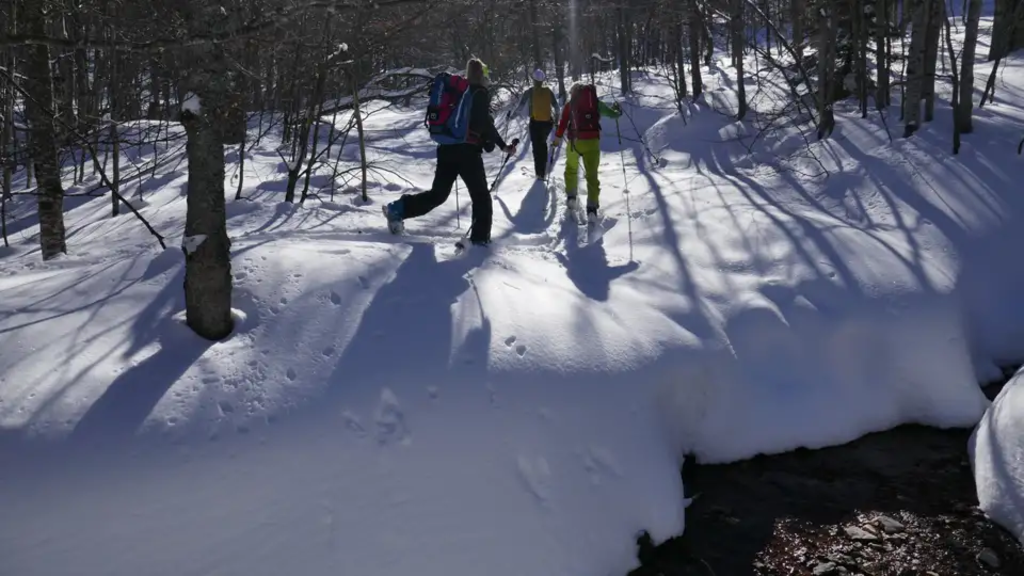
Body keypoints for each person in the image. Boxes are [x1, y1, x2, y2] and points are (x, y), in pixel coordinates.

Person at [383, 59, 517, 246]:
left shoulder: (459, 92)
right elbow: (484, 123)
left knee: (438, 194)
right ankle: (479, 242)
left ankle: (398, 209)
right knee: (481, 197)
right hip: (467, 152)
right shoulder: (478, 92)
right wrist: (498, 145)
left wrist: (497, 142)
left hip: (446, 148)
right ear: (482, 76)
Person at [552, 82, 622, 222]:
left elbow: (563, 123)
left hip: (575, 142)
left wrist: (557, 139)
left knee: (571, 169)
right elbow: (613, 115)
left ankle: (571, 197)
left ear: (573, 92)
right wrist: (617, 109)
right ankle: (591, 209)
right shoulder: (595, 103)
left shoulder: (570, 104)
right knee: (592, 175)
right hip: (592, 143)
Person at [508, 69, 560, 179]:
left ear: (533, 80)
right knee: (543, 144)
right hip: (547, 123)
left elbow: (520, 108)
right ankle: (543, 169)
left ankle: (539, 173)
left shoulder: (529, 92)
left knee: (537, 148)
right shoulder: (548, 91)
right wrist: (557, 120)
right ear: (543, 80)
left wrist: (511, 117)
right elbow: (557, 108)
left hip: (535, 123)